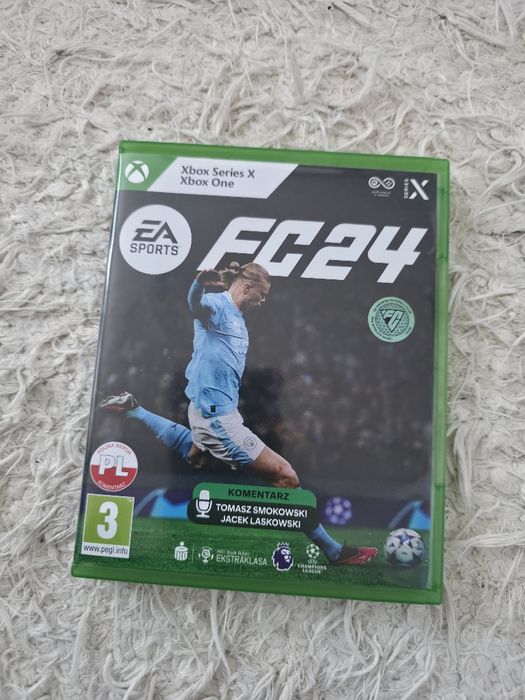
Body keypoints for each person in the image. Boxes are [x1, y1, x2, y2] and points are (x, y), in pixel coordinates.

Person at [100, 262, 377, 566]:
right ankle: (334, 552)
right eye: (263, 293)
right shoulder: (218, 305)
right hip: (218, 418)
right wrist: (198, 284)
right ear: (247, 286)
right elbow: (195, 306)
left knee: (197, 456)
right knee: (286, 476)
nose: (264, 300)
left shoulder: (238, 319)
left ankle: (135, 410)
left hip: (214, 412)